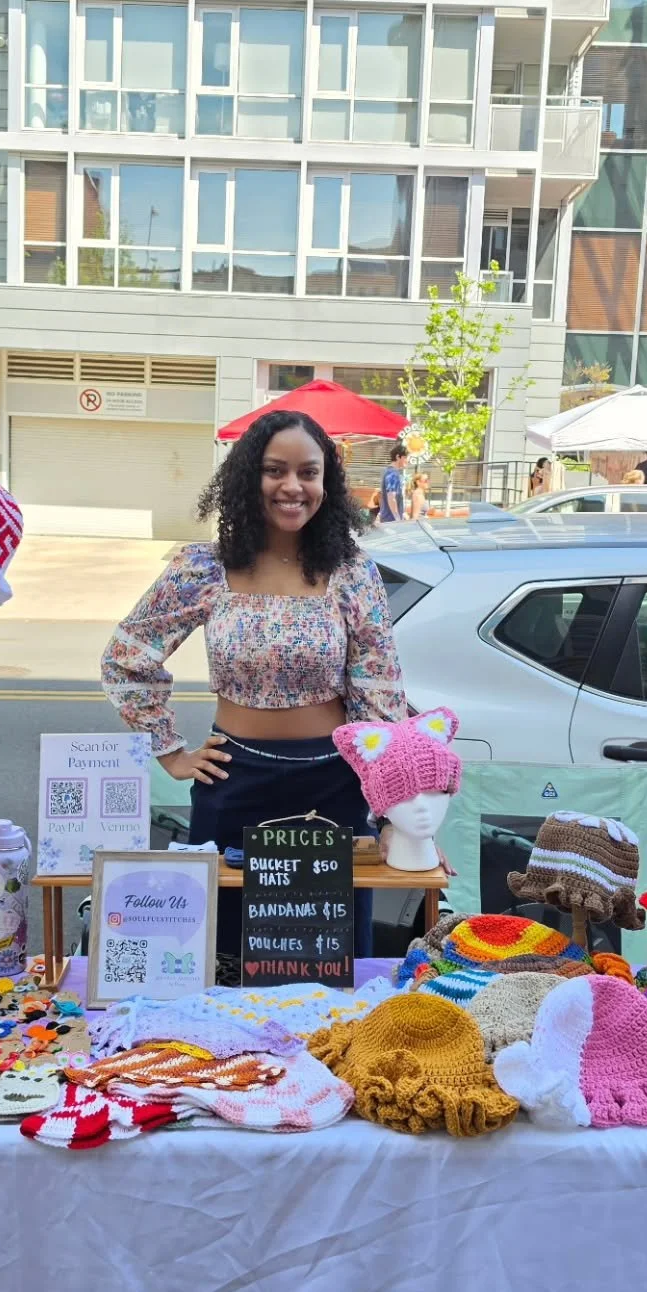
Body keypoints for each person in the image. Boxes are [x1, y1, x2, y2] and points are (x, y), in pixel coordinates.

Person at [102, 410, 407, 959]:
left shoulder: (352, 572)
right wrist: (171, 752)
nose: (293, 487)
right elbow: (127, 658)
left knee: (324, 959)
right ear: (249, 478)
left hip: (334, 786)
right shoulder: (204, 568)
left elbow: (378, 692)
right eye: (275, 470)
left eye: (308, 473)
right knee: (222, 957)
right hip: (233, 782)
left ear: (326, 484)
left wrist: (392, 810)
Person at [378, 443, 407, 523]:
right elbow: (391, 497)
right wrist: (397, 518)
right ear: (398, 457)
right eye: (405, 458)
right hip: (391, 521)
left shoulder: (389, 472)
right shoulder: (392, 474)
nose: (407, 461)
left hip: (388, 519)